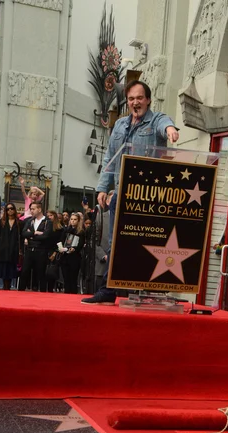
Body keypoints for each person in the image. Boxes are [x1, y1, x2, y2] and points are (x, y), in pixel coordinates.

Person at [81, 80, 179, 304]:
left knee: (145, 243)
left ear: (148, 100)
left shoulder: (155, 121)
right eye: (131, 99)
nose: (135, 103)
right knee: (116, 243)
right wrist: (103, 188)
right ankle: (108, 290)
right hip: (121, 194)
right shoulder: (119, 125)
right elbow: (110, 158)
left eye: (140, 98)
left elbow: (165, 122)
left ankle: (144, 291)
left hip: (148, 198)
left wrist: (170, 129)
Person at [18, 202, 53, 292]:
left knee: (41, 273)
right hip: (30, 250)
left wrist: (31, 237)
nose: (31, 211)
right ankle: (20, 291)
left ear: (39, 209)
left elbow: (46, 236)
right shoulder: (30, 220)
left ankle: (42, 292)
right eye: (31, 209)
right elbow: (24, 233)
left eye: (33, 209)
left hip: (41, 251)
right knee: (24, 271)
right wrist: (34, 233)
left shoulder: (47, 222)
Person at [0, 203, 22, 290]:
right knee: (4, 270)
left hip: (14, 249)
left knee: (12, 269)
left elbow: (21, 236)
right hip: (3, 250)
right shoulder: (2, 222)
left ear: (15, 210)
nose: (10, 210)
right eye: (8, 209)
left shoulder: (19, 223)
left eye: (11, 208)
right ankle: (5, 287)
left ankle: (10, 287)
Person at [60, 212, 85, 294]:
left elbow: (80, 244)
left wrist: (74, 249)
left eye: (75, 219)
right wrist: (61, 248)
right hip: (65, 257)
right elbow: (62, 241)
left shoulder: (81, 232)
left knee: (73, 278)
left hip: (75, 258)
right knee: (66, 279)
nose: (73, 221)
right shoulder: (66, 230)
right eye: (71, 219)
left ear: (78, 221)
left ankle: (73, 295)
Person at [46, 210, 64, 293]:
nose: (49, 217)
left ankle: (51, 289)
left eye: (51, 215)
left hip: (54, 251)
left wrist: (55, 252)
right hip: (45, 250)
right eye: (48, 215)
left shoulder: (59, 228)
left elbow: (60, 242)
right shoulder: (45, 226)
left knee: (52, 272)